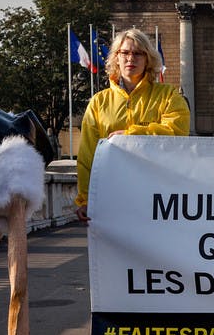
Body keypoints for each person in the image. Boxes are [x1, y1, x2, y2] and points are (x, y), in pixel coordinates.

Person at [74, 28, 190, 222]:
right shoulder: (98, 102)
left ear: (148, 60)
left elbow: (177, 132)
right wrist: (85, 198)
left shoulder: (168, 95)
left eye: (138, 53)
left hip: (158, 196)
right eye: (125, 53)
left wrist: (131, 135)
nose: (131, 58)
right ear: (116, 58)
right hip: (111, 196)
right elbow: (87, 156)